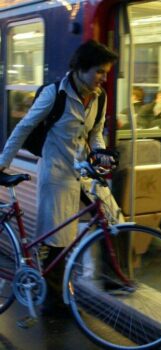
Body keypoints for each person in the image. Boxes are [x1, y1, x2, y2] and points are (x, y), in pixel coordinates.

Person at [0, 40, 122, 314]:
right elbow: (24, 126)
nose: (104, 77)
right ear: (80, 69)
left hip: (84, 172)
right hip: (56, 172)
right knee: (58, 240)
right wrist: (2, 164)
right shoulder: (56, 94)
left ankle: (111, 278)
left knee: (112, 217)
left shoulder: (99, 97)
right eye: (100, 71)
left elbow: (96, 133)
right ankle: (53, 300)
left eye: (106, 72)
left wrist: (99, 155)